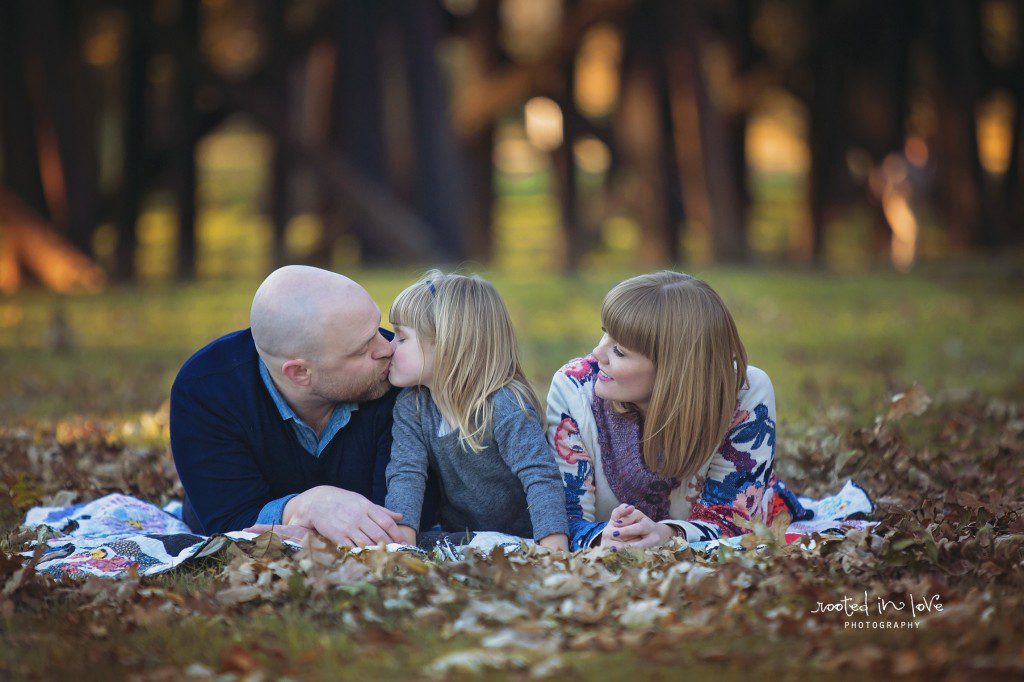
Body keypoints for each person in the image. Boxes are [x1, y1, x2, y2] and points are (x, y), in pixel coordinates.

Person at [169, 265, 437, 546]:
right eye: (362, 349)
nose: (386, 349)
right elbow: (229, 520)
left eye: (376, 329)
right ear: (299, 373)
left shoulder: (399, 374)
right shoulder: (205, 391)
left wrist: (306, 531)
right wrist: (307, 506)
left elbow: (404, 516)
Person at [546, 271, 810, 550]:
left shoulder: (744, 393)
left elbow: (734, 521)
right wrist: (604, 537)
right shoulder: (573, 388)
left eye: (619, 351)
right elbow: (564, 520)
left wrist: (666, 535)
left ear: (673, 371)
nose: (596, 354)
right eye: (604, 335)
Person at [384, 271, 570, 551]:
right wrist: (402, 549)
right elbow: (405, 474)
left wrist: (554, 553)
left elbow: (540, 476)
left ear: (447, 343)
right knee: (427, 542)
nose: (389, 348)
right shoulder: (413, 406)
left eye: (401, 338)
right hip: (464, 538)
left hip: (526, 539)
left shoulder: (505, 404)